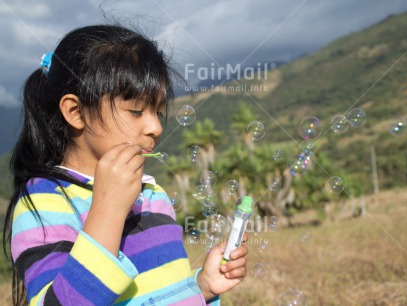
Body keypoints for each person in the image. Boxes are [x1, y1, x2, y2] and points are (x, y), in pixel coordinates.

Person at [2, 24, 248, 306]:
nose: (156, 126)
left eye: (157, 110)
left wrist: (201, 286)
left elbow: (154, 292)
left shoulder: (151, 195)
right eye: (136, 111)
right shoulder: (46, 203)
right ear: (75, 112)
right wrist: (108, 209)